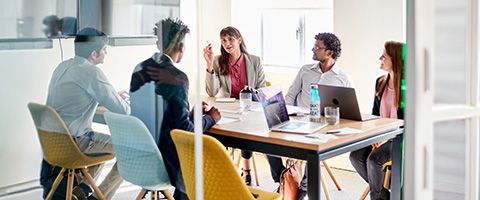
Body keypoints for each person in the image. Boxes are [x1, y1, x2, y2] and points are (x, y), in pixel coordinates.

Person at [130, 18, 221, 200]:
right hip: (166, 159)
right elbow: (184, 131)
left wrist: (191, 115)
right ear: (181, 46)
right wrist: (210, 118)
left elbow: (160, 115)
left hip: (140, 154)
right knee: (211, 161)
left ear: (158, 43)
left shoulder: (139, 68)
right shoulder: (177, 77)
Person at [45, 27, 130, 200]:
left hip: (52, 141)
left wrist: (106, 97)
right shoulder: (92, 72)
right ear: (94, 54)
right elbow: (123, 110)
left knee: (99, 142)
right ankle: (98, 197)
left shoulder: (63, 66)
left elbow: (74, 99)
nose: (106, 52)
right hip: (74, 143)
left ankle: (81, 191)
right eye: (104, 49)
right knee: (129, 151)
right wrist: (121, 99)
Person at [268, 32, 354, 199]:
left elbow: (348, 111)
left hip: (323, 127)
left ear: (329, 52)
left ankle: (302, 189)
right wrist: (284, 114)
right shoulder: (305, 70)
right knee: (267, 139)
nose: (312, 49)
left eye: (317, 47)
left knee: (313, 150)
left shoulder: (343, 78)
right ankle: (283, 178)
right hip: (297, 120)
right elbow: (291, 95)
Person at [203, 26, 266, 185]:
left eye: (230, 39)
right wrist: (209, 64)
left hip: (249, 110)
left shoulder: (254, 61)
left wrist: (254, 92)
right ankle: (225, 174)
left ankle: (247, 173)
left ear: (239, 39)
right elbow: (212, 91)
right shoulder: (218, 61)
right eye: (223, 40)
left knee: (247, 132)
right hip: (228, 112)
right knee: (218, 136)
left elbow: (263, 90)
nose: (227, 43)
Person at [349, 41, 405, 200]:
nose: (380, 58)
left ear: (395, 60)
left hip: (399, 137)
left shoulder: (407, 87)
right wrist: (375, 136)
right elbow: (376, 115)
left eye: (384, 56)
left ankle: (377, 196)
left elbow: (408, 123)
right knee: (355, 156)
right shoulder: (380, 82)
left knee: (374, 160)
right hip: (381, 134)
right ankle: (384, 196)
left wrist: (383, 138)